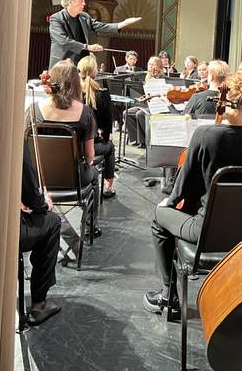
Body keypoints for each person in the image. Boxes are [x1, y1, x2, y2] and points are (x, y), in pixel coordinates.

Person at [144, 72, 242, 314]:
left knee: (159, 217)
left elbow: (180, 191)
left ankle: (167, 295)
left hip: (206, 232)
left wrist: (168, 203)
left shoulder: (205, 136)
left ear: (222, 99)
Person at [30, 60, 100, 236]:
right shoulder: (85, 113)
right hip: (74, 180)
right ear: (76, 83)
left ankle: (40, 221)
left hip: (39, 180)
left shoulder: (33, 110)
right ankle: (91, 227)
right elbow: (90, 157)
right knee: (94, 174)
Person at [19, 141, 62, 326]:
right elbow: (30, 191)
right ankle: (39, 304)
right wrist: (43, 203)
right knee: (52, 221)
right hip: (4, 229)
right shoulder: (12, 136)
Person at [48, 0, 141, 68]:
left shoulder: (84, 16)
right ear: (70, 2)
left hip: (81, 64)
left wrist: (122, 24)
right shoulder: (56, 19)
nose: (84, 4)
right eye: (81, 1)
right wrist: (87, 47)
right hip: (61, 64)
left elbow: (101, 26)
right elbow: (63, 41)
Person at [78, 55, 117, 198]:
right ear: (95, 72)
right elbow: (107, 127)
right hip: (92, 146)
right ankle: (109, 187)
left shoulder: (73, 93)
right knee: (110, 147)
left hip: (73, 146)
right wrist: (104, 136)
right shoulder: (103, 93)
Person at [125, 56, 165, 147]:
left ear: (158, 66)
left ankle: (145, 141)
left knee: (140, 114)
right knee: (126, 113)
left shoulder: (162, 77)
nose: (150, 66)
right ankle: (135, 139)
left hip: (157, 105)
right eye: (149, 64)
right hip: (146, 104)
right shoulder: (147, 76)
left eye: (152, 64)